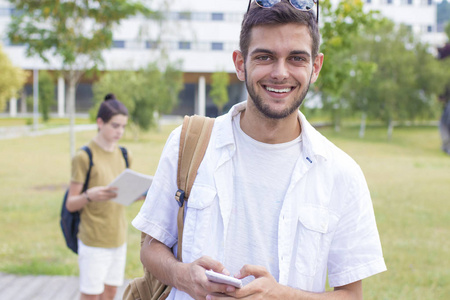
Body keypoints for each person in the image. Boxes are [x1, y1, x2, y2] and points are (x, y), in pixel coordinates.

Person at [132, 1, 387, 299]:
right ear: (240, 63)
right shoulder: (187, 142)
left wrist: (281, 295)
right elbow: (151, 246)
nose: (280, 73)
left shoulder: (342, 173)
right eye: (265, 57)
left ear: (315, 67)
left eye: (296, 58)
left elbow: (351, 295)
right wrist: (183, 275)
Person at [66, 93, 131, 300]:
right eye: (114, 126)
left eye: (123, 126)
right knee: (91, 295)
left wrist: (142, 193)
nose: (119, 131)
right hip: (93, 241)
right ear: (99, 122)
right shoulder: (84, 156)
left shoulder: (124, 154)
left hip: (118, 238)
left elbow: (122, 194)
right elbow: (70, 204)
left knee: (111, 293)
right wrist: (89, 195)